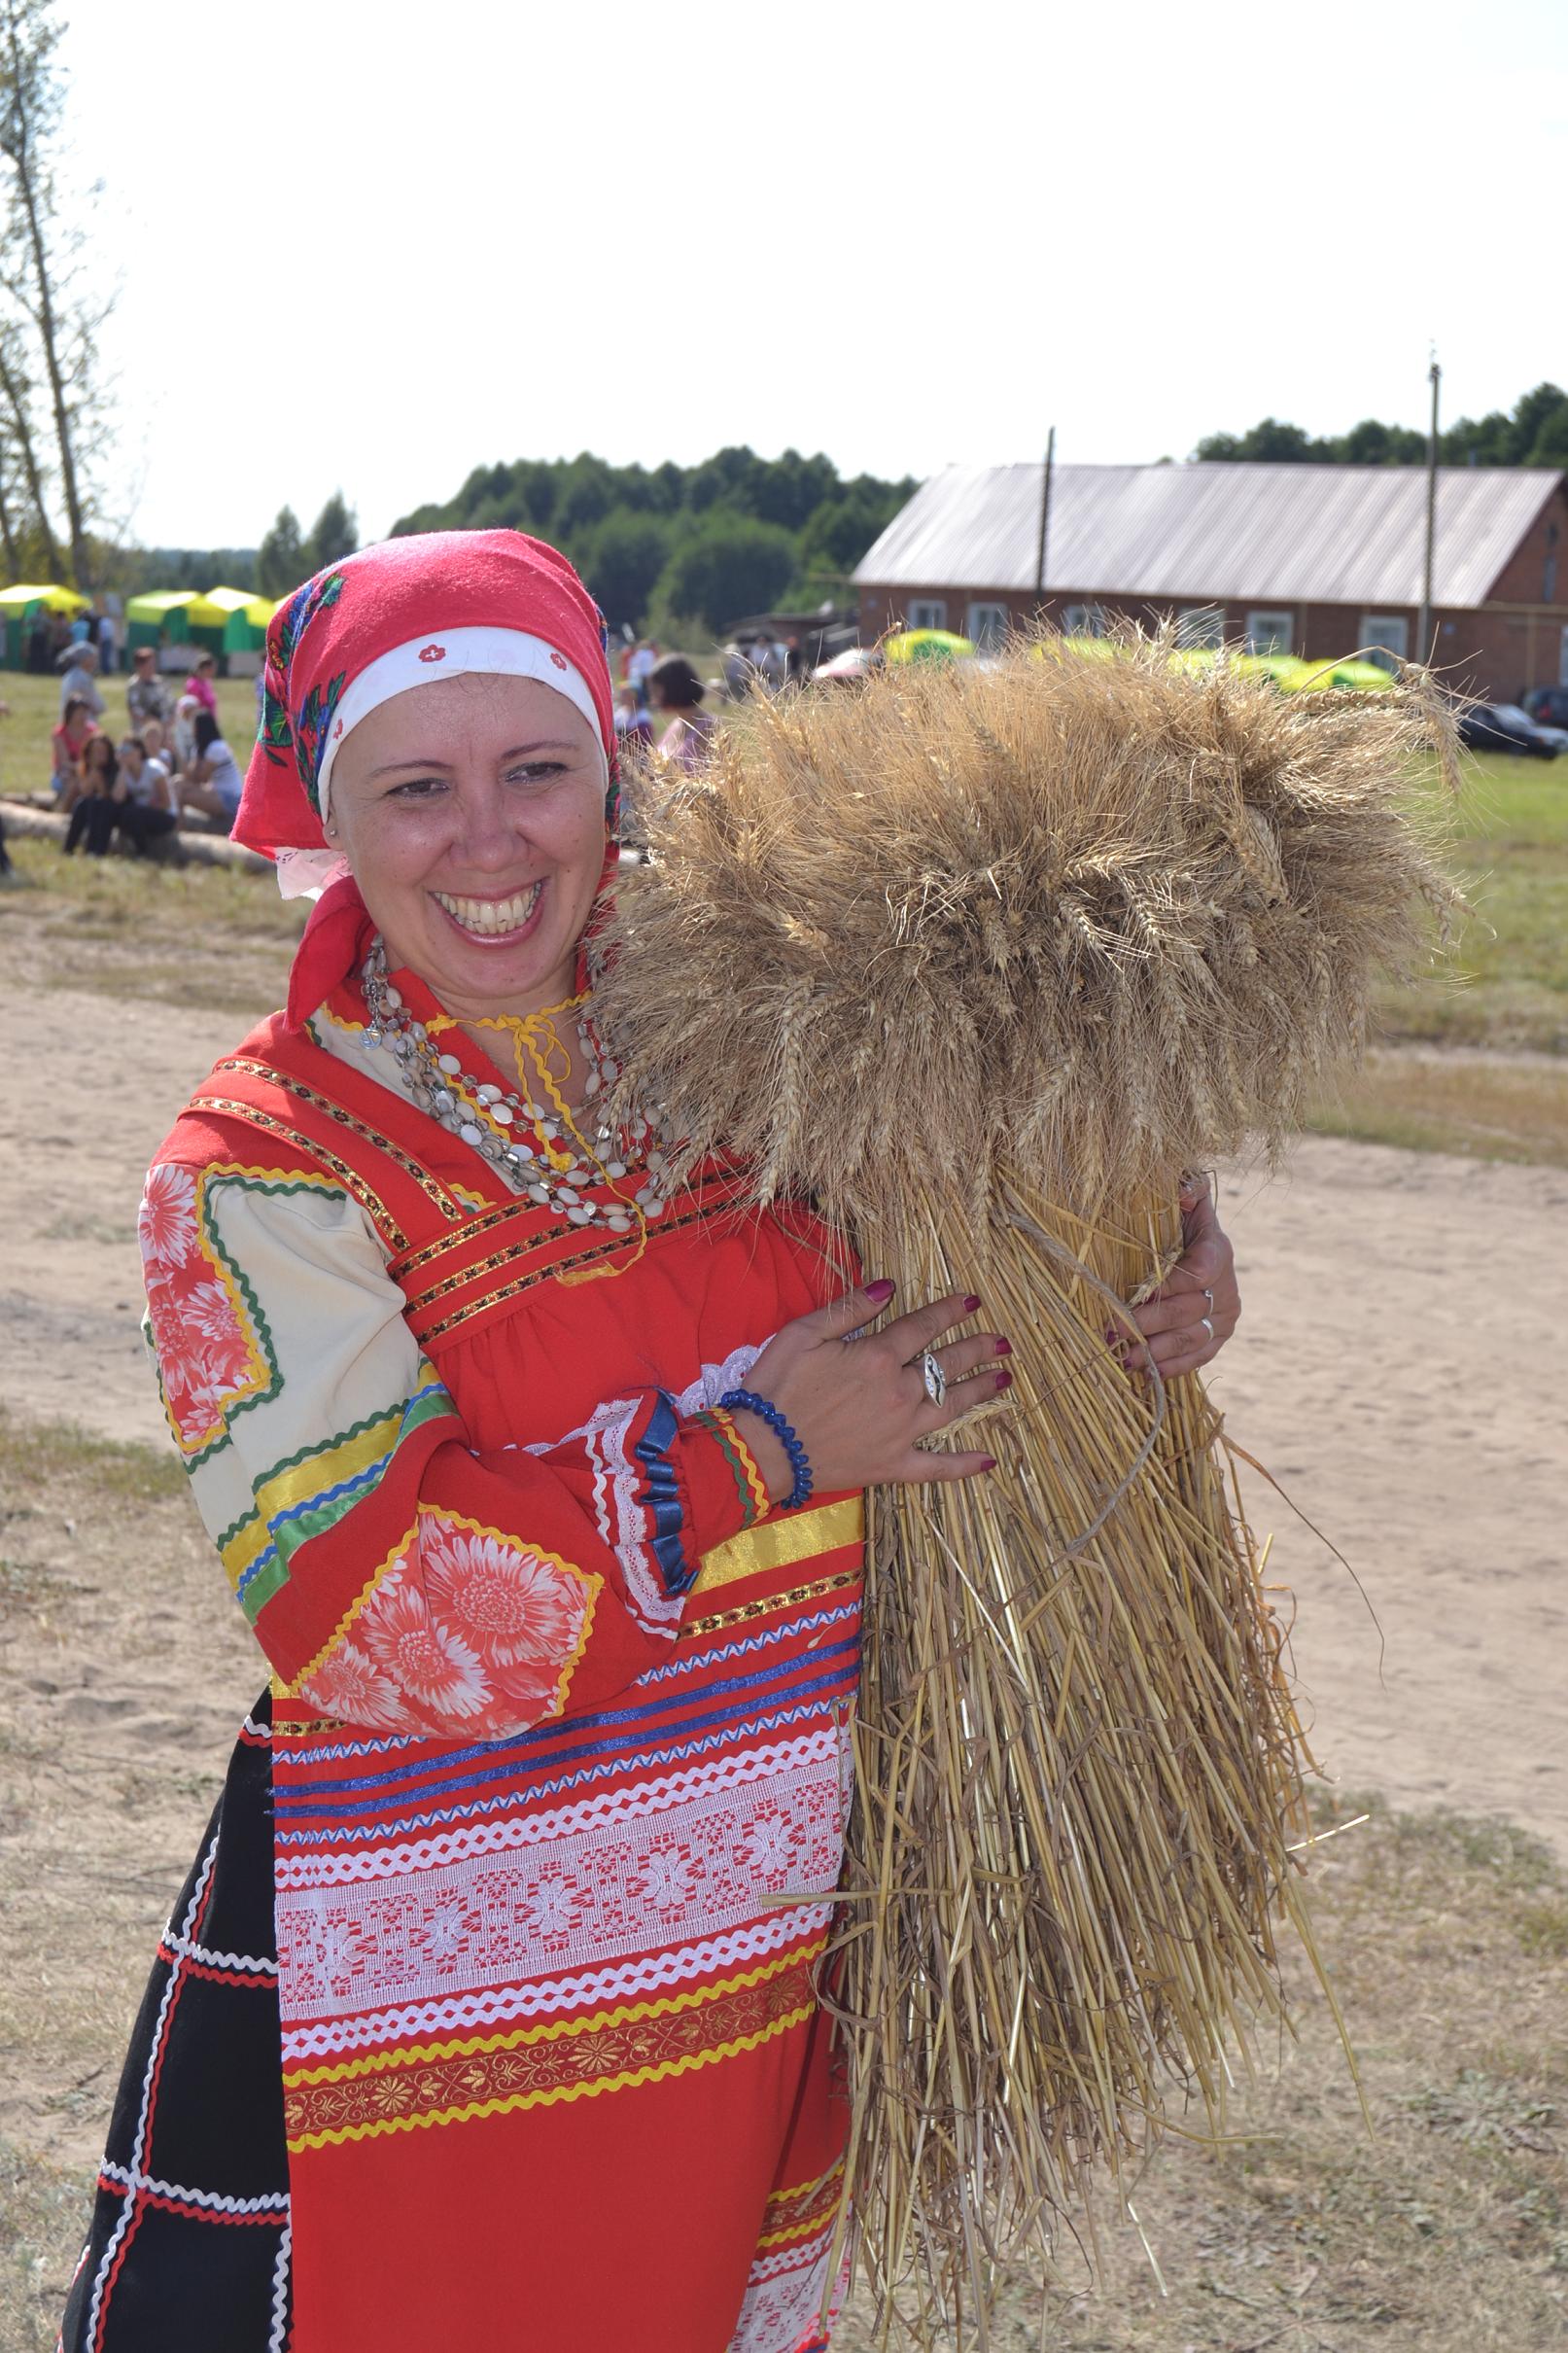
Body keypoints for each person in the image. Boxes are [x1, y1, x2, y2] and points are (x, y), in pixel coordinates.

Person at [60, 530, 1240, 2353]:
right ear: (325, 807)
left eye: (535, 772)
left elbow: (985, 1228)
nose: (487, 839)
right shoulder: (262, 1166)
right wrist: (757, 1449)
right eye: (416, 787)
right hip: (458, 1990)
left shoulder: (758, 1040)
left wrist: (1149, 1249)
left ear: (609, 767)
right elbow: (373, 1619)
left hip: (771, 1935)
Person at [110, 731, 179, 856]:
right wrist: (123, 769)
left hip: (165, 816)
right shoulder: (125, 772)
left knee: (132, 813)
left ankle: (142, 852)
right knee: (123, 812)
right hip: (140, 815)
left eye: (126, 749)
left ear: (138, 751)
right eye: (120, 749)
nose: (122, 753)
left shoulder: (154, 769)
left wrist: (145, 807)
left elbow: (166, 804)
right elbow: (117, 798)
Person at [648, 650, 717, 770]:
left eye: (656, 690)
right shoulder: (676, 724)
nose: (653, 699)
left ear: (674, 688)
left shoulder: (710, 729)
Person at [177, 706, 245, 826]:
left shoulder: (217, 747)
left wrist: (179, 756)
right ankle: (180, 826)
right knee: (177, 783)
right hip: (217, 793)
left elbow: (200, 779)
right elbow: (191, 777)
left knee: (182, 794)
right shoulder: (199, 748)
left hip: (231, 799)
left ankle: (180, 827)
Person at [61, 730, 119, 856]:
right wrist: (93, 770)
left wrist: (97, 777)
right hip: (95, 806)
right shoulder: (87, 768)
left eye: (102, 751)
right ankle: (68, 848)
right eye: (96, 751)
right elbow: (86, 792)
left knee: (98, 805)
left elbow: (106, 795)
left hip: (114, 808)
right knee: (82, 803)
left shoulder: (115, 769)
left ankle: (95, 850)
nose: (99, 755)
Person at [50, 695, 98, 801]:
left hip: (87, 771)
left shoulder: (92, 731)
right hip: (65, 773)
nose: (83, 715)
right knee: (71, 782)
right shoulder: (60, 733)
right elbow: (64, 762)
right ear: (70, 713)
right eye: (80, 712)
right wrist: (81, 767)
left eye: (85, 712)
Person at [126, 644, 173, 731]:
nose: (153, 667)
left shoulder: (161, 682)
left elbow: (171, 703)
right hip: (143, 731)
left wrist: (169, 720)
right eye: (150, 664)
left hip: (164, 729)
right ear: (140, 666)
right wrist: (153, 723)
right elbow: (134, 709)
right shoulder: (134, 685)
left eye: (154, 664)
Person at [58, 640, 105, 721]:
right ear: (84, 659)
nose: (95, 661)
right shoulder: (82, 678)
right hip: (82, 722)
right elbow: (96, 704)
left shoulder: (71, 675)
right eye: (92, 657)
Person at [185, 649, 220, 715]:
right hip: (199, 722)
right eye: (212, 668)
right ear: (205, 668)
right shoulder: (193, 684)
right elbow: (192, 708)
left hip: (209, 720)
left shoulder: (207, 682)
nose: (214, 671)